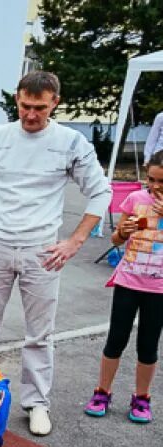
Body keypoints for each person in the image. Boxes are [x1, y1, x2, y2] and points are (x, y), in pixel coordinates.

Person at [0, 71, 112, 436]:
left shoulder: (70, 142)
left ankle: (36, 403)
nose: (30, 114)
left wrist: (75, 241)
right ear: (17, 101)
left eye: (39, 108)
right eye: (24, 106)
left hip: (43, 249)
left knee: (40, 334)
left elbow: (101, 192)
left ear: (55, 102)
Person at [83, 151, 163, 424]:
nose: (155, 187)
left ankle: (142, 397)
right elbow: (116, 240)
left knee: (148, 346)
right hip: (128, 281)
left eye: (162, 182)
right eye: (151, 180)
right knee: (116, 339)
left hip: (158, 288)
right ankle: (102, 391)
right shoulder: (136, 199)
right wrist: (123, 232)